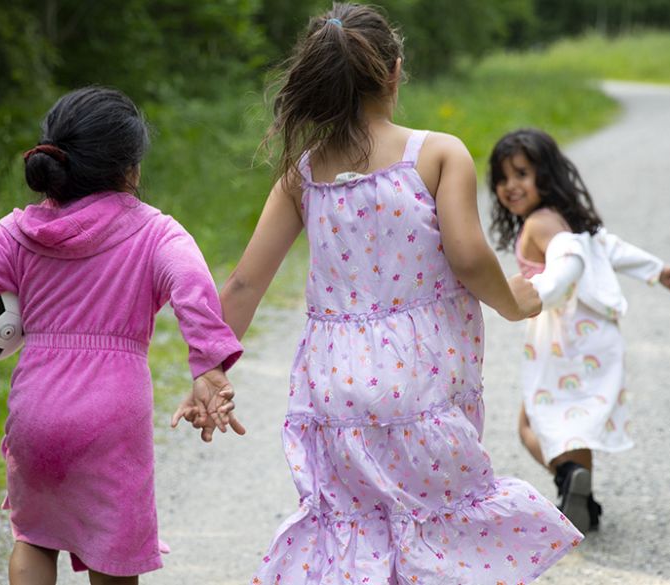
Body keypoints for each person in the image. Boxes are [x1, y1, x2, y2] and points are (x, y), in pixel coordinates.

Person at [216, 5, 582, 583]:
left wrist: (208, 367)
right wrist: (515, 302)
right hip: (421, 383)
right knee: (432, 527)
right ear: (395, 71)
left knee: (356, 529)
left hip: (333, 392)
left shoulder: (301, 174)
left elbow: (243, 282)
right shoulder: (437, 154)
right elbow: (467, 257)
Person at [0, 87, 245, 584]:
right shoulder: (156, 232)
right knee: (113, 555)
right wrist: (207, 365)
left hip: (35, 412)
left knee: (34, 539)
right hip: (112, 419)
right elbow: (193, 287)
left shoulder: (18, 232)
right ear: (131, 170)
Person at [487, 128, 670, 533]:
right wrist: (657, 271)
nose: (511, 186)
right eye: (503, 177)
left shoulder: (542, 226)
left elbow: (568, 262)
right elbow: (611, 248)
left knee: (531, 423)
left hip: (564, 337)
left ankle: (566, 478)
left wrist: (539, 292)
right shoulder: (569, 220)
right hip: (597, 338)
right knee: (574, 423)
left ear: (545, 174)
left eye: (521, 173)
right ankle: (585, 501)